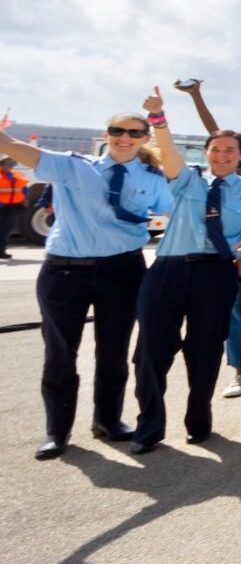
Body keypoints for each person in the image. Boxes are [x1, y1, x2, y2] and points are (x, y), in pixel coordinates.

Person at [3, 93, 175, 460]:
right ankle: (57, 431)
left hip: (122, 270)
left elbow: (177, 208)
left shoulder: (154, 178)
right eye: (117, 130)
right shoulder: (71, 166)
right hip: (64, 271)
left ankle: (107, 421)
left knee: (113, 352)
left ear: (145, 137)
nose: (124, 137)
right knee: (60, 353)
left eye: (133, 132)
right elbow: (17, 149)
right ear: (106, 133)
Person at [132, 125, 241, 453]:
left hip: (216, 273)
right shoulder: (187, 180)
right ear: (206, 153)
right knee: (150, 351)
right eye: (216, 149)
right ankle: (149, 426)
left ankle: (198, 418)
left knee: (205, 350)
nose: (222, 156)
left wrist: (236, 280)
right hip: (169, 269)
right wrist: (160, 122)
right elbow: (168, 153)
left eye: (230, 150)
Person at [0, 154, 28, 259]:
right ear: (1, 164)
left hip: (12, 207)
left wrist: (26, 198)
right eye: (8, 164)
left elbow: (24, 188)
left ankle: (1, 251)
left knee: (6, 230)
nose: (10, 166)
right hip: (1, 206)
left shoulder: (17, 175)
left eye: (12, 164)